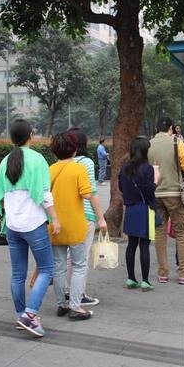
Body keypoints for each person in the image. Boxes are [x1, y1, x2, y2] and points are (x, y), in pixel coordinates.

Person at [0, 119, 58, 337]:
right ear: (30, 135)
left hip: (12, 226)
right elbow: (45, 194)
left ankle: (21, 314)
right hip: (34, 224)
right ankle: (29, 315)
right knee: (47, 269)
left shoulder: (6, 161)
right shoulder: (37, 159)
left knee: (17, 274)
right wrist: (55, 219)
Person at [148, 117, 184, 285]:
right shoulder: (177, 142)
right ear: (171, 128)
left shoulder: (149, 144)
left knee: (159, 232)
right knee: (182, 232)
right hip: (174, 193)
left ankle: (163, 273)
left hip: (155, 193)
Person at [49, 132, 94, 320]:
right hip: (76, 226)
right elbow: (87, 194)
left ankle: (61, 304)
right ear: (75, 150)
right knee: (79, 266)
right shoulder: (78, 169)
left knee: (59, 266)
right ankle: (76, 306)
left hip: (55, 226)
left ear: (54, 151)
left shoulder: (50, 169)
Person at [67, 127, 108, 305]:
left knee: (68, 257)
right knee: (81, 259)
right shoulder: (86, 162)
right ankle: (79, 295)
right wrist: (101, 218)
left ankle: (68, 291)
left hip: (66, 215)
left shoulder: (62, 162)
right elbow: (91, 192)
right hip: (84, 215)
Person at [119, 137, 159, 291]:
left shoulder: (125, 167)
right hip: (145, 209)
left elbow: (121, 187)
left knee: (131, 244)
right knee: (144, 245)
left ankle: (131, 278)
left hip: (130, 209)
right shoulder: (147, 168)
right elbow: (149, 190)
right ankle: (145, 281)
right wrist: (156, 181)